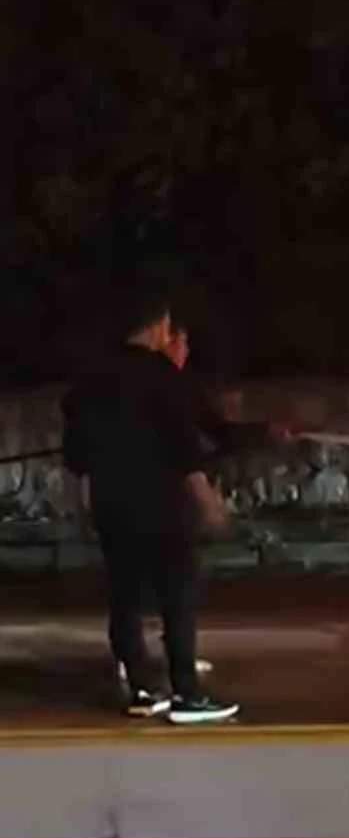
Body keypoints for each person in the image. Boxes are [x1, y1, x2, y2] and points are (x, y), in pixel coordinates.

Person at [62, 292, 280, 724]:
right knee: (177, 596)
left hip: (112, 502)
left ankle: (142, 689)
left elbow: (76, 455)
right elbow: (184, 445)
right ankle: (187, 693)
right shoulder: (161, 375)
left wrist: (85, 501)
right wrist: (208, 500)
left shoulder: (90, 380)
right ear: (158, 326)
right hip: (160, 502)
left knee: (124, 597)